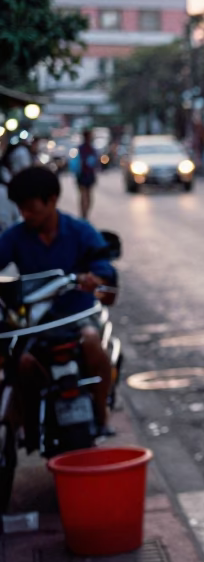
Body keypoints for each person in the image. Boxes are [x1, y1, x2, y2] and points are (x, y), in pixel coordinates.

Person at [0, 167, 117, 444]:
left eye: (31, 208)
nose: (26, 215)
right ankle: (27, 425)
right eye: (21, 209)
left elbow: (105, 271)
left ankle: (101, 414)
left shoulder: (81, 232)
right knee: (23, 363)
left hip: (78, 316)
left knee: (92, 342)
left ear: (52, 200)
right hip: (35, 322)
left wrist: (95, 279)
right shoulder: (16, 237)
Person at [76, 129, 99, 220]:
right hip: (84, 174)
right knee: (85, 194)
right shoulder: (85, 149)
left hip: (87, 174)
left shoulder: (89, 148)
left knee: (86, 195)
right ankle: (84, 213)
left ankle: (84, 213)